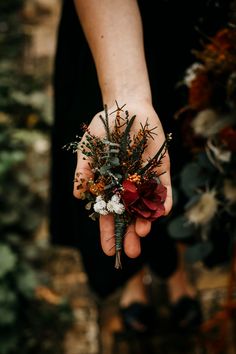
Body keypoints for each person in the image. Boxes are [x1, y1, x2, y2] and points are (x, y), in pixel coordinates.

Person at [50, 0, 230, 332]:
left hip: (194, 23)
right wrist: (126, 93)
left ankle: (175, 265)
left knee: (187, 138)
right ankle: (131, 277)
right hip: (109, 27)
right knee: (107, 134)